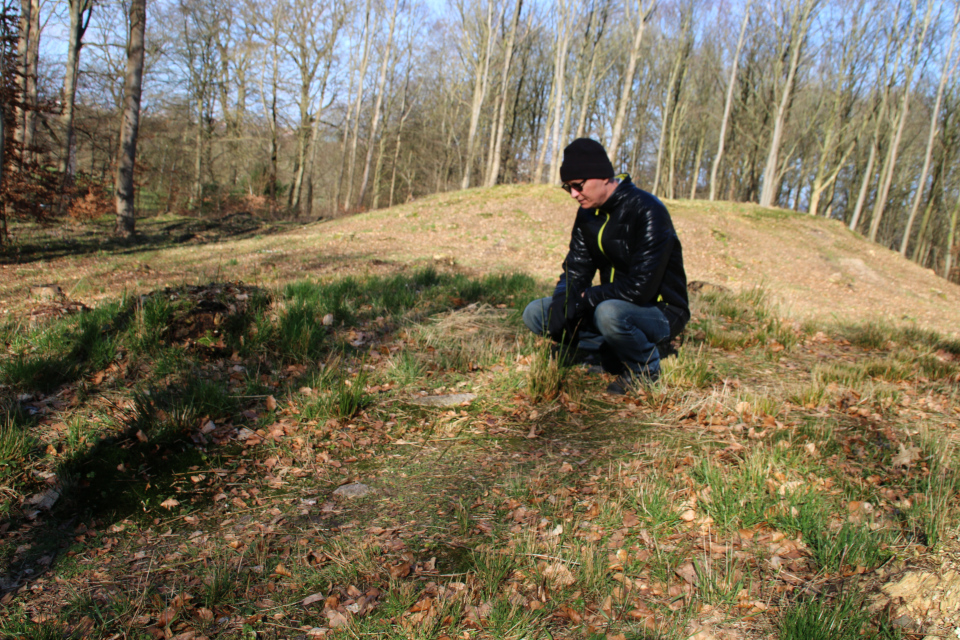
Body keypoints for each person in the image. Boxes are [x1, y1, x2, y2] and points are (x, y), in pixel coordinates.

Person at [522, 138, 690, 394]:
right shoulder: (588, 214)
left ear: (602, 176)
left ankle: (645, 371)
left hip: (660, 310)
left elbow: (641, 289)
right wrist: (563, 301)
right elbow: (576, 268)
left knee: (609, 313)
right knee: (536, 312)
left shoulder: (648, 210)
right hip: (609, 303)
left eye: (578, 186)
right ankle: (603, 353)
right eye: (567, 188)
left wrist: (587, 297)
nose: (574, 195)